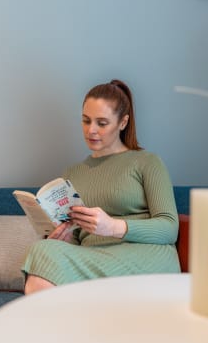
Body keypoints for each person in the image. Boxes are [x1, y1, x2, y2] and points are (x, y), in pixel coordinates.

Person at [22, 79, 180, 294]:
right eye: (86, 121)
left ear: (123, 123)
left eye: (102, 123)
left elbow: (169, 227)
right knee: (44, 249)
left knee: (44, 261)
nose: (91, 130)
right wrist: (64, 238)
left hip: (144, 255)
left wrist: (113, 227)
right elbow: (77, 238)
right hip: (93, 257)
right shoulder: (72, 173)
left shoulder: (147, 162)